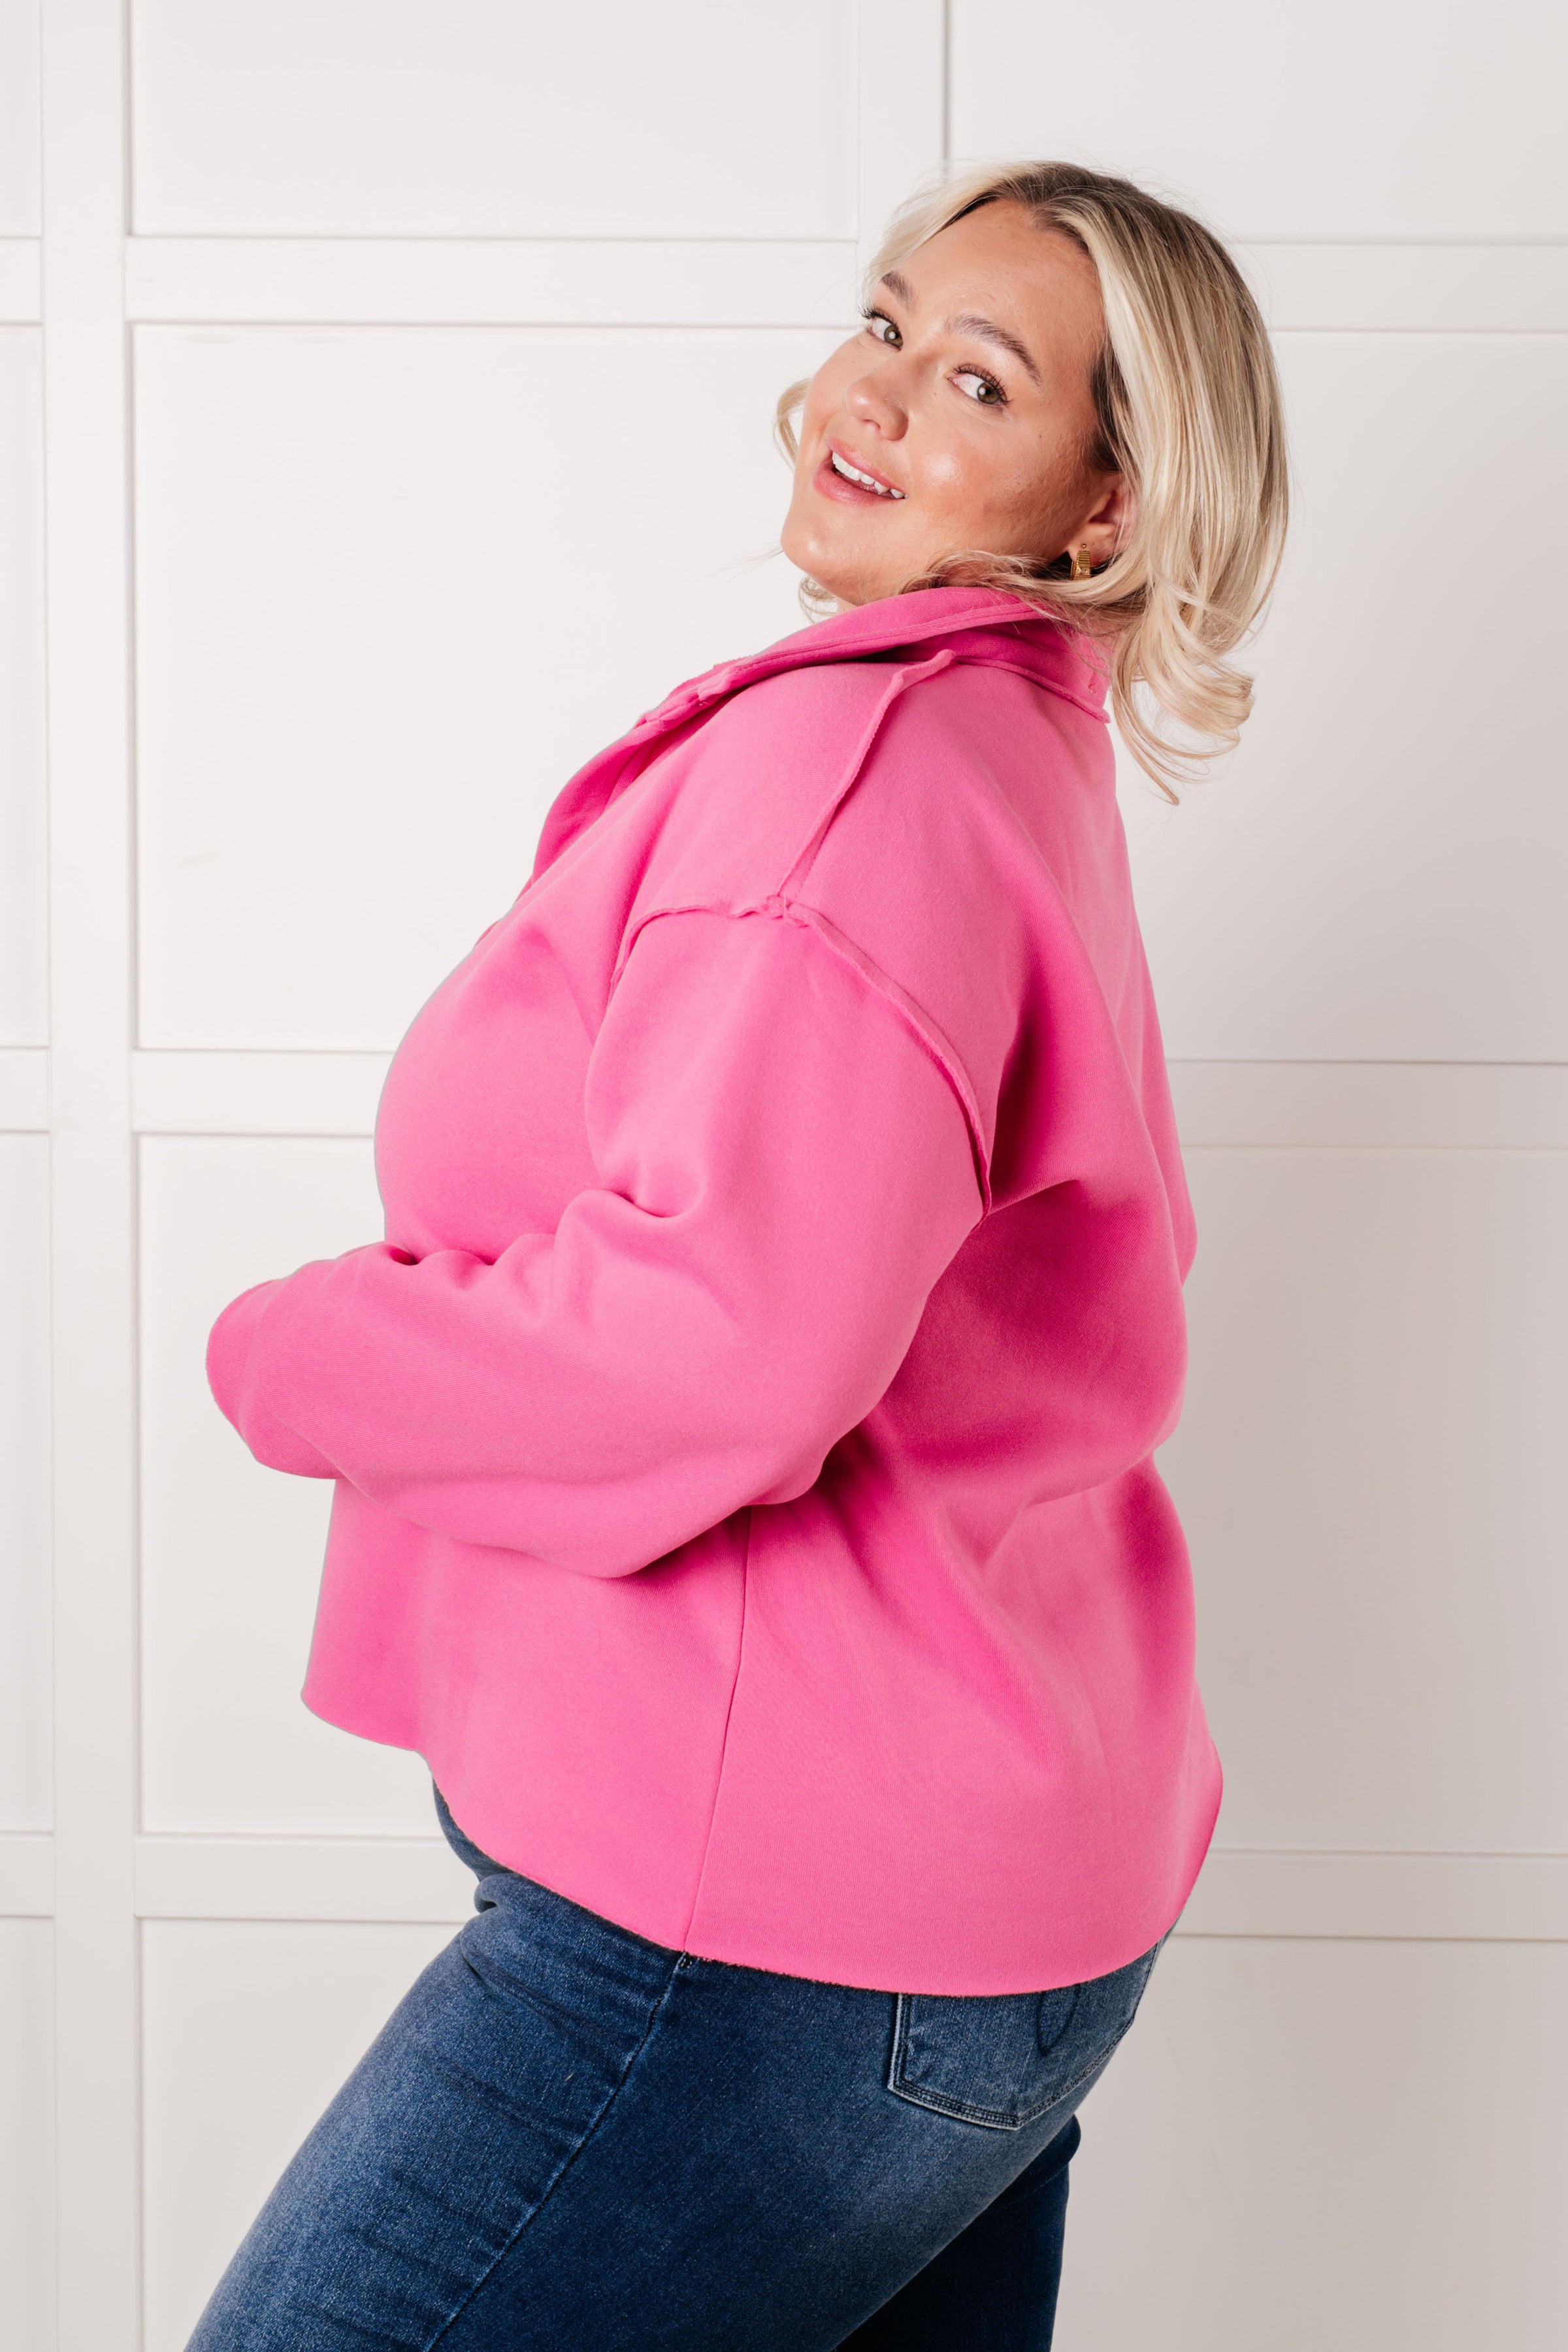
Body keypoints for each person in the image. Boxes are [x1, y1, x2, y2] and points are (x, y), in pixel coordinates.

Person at [190, 160, 1288, 2350]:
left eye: (978, 380)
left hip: (761, 1946)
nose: (872, 396)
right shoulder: (996, 747)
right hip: (994, 1917)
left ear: (1103, 511)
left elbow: (715, 1354)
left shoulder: (857, 772)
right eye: (886, 324)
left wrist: (286, 1352)